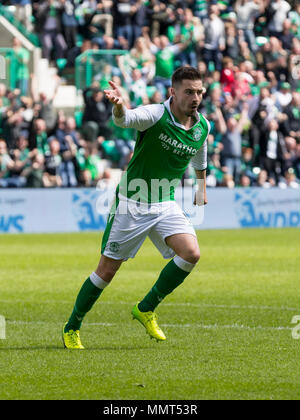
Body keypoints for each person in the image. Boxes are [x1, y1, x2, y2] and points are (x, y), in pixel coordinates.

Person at [62, 66, 210, 349]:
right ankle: (72, 326)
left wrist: (200, 186)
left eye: (199, 92)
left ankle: (146, 308)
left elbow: (200, 152)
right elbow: (126, 120)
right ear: (173, 92)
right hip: (132, 203)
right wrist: (119, 107)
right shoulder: (155, 115)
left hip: (164, 202)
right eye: (189, 92)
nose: (195, 97)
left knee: (191, 253)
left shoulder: (202, 125)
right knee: (106, 272)